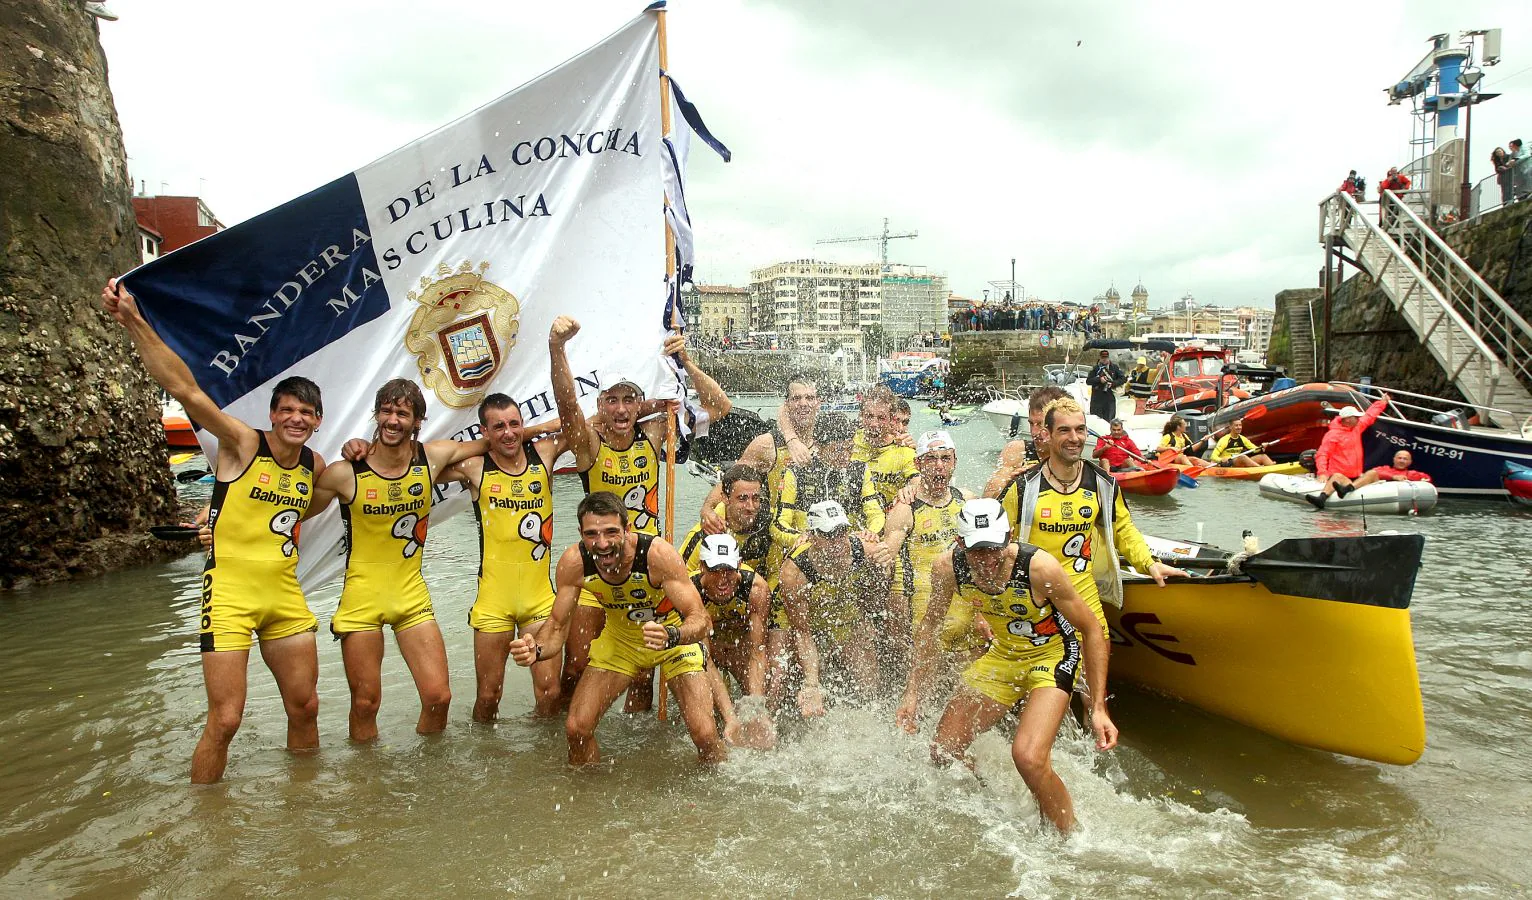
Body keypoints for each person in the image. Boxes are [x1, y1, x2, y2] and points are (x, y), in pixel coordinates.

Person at [103, 279, 325, 783]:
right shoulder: (242, 442)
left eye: (305, 412)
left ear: (317, 421)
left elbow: (308, 507)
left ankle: (307, 809)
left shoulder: (314, 463)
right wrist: (134, 321)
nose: (295, 417)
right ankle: (205, 820)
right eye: (286, 409)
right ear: (272, 415)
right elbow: (185, 391)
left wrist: (214, 517)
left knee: (306, 707)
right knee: (226, 720)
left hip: (285, 597)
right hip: (227, 595)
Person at [896, 499, 1116, 834]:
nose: (985, 561)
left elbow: (1091, 630)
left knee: (1027, 756)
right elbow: (929, 627)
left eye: (993, 549)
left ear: (1009, 537)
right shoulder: (948, 568)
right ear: (959, 544)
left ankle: (1069, 836)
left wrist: (1098, 707)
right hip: (1004, 656)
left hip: (1052, 654)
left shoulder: (1039, 568)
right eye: (976, 551)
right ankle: (998, 802)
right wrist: (912, 693)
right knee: (944, 751)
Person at [309, 379, 484, 741]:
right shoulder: (346, 472)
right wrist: (216, 512)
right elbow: (290, 506)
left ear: (417, 421)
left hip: (411, 597)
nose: (392, 420)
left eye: (402, 413)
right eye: (386, 411)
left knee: (439, 696)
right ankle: (366, 783)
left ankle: (429, 778)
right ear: (375, 415)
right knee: (365, 703)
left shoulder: (430, 457)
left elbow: (497, 440)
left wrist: (545, 428)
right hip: (361, 600)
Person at [510, 492, 724, 766]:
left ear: (627, 529)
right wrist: (536, 649)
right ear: (580, 533)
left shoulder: (657, 555)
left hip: (674, 642)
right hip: (621, 643)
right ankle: (588, 798)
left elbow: (700, 619)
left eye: (611, 532)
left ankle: (715, 799)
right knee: (577, 729)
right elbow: (556, 627)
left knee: (704, 735)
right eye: (591, 534)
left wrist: (674, 635)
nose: (602, 544)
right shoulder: (574, 563)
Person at [547, 316, 671, 708]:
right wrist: (557, 350)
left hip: (644, 563)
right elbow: (568, 405)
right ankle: (561, 736)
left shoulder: (653, 435)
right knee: (577, 665)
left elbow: (677, 398)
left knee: (642, 673)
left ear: (639, 404)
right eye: (611, 400)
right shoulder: (588, 445)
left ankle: (637, 757)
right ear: (599, 407)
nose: (621, 409)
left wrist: (676, 356)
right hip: (596, 567)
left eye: (629, 399)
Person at [438, 393, 580, 720]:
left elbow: (577, 425)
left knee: (550, 693)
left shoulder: (543, 454)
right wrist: (492, 443)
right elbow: (427, 462)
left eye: (514, 424)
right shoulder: (475, 468)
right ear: (483, 431)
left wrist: (528, 432)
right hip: (493, 603)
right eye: (498, 426)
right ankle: (488, 761)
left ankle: (537, 760)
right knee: (488, 697)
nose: (508, 432)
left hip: (539, 599)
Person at [997, 398, 1185, 639]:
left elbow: (1123, 530)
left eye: (1080, 429)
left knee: (1098, 644)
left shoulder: (1103, 484)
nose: (1074, 438)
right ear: (1048, 434)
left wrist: (1148, 563)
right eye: (1064, 430)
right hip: (1033, 592)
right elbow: (995, 542)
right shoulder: (1024, 485)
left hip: (1082, 590)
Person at [882, 431, 983, 693]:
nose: (939, 465)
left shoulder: (968, 501)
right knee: (926, 687)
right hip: (927, 609)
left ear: (954, 462)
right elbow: (887, 556)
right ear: (918, 464)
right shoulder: (906, 508)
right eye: (930, 459)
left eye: (945, 458)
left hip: (966, 605)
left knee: (968, 688)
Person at [776, 500, 893, 715]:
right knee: (780, 679)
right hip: (804, 623)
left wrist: (884, 570)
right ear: (811, 536)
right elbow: (802, 632)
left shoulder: (865, 550)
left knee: (869, 688)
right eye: (829, 535)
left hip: (844, 617)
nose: (838, 541)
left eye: (842, 532)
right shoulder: (794, 572)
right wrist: (812, 683)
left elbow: (876, 601)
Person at [691, 534, 775, 749]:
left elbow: (758, 651)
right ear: (702, 567)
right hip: (707, 649)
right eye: (715, 570)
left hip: (739, 645)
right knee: (707, 720)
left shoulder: (756, 589)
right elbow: (705, 659)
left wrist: (757, 708)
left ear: (739, 565)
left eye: (728, 570)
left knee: (761, 709)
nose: (722, 579)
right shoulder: (691, 592)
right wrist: (730, 717)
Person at [772, 413, 885, 549]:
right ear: (818, 446)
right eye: (837, 450)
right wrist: (799, 538)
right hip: (810, 548)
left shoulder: (859, 470)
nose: (845, 456)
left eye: (849, 448)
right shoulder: (796, 472)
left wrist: (871, 533)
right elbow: (778, 523)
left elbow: (876, 514)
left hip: (846, 547)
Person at [984, 385, 1069, 497]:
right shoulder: (1017, 451)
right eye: (1031, 424)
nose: (1034, 432)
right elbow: (988, 498)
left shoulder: (1072, 451)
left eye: (1040, 424)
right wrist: (1011, 483)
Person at [1306, 396, 1390, 509]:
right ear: (1348, 419)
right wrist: (1322, 473)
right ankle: (1322, 498)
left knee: (1373, 473)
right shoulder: (1333, 435)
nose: (1358, 419)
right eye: (1356, 417)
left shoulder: (1357, 427)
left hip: (1356, 476)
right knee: (1337, 476)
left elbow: (1370, 415)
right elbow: (1322, 454)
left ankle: (1347, 489)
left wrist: (1382, 402)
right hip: (1339, 477)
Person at [1207, 416, 1275, 468]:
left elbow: (1255, 450)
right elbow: (1213, 456)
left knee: (1263, 456)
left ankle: (1273, 469)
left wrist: (1262, 447)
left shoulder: (1243, 439)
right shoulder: (1224, 440)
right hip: (1229, 463)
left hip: (1239, 461)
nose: (1239, 427)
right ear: (1230, 427)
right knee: (1243, 457)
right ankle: (1261, 470)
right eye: (1236, 425)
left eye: (1240, 425)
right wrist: (1221, 460)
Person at [1086, 350, 1122, 421]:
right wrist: (1099, 379)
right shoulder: (1095, 369)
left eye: (1106, 357)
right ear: (1100, 358)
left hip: (1109, 399)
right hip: (1097, 399)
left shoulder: (1114, 368)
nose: (1104, 359)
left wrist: (1113, 383)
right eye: (1103, 358)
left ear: (1108, 357)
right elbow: (1088, 381)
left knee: (1109, 420)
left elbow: (1123, 379)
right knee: (1096, 421)